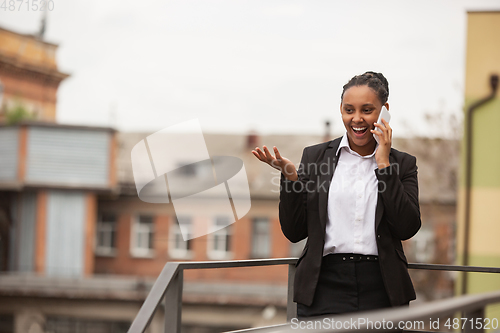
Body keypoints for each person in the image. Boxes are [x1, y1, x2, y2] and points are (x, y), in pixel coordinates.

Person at [252, 71, 421, 319]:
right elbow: (295, 230)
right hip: (323, 286)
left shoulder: (404, 164)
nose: (357, 119)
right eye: (349, 110)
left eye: (367, 110)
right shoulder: (315, 157)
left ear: (384, 111)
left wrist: (384, 164)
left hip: (383, 288)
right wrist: (290, 177)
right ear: (340, 110)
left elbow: (407, 227)